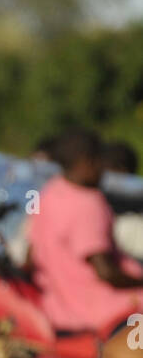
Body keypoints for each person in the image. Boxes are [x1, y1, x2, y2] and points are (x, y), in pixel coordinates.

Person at [27, 128, 143, 338]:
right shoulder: (88, 203)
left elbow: (31, 256)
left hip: (59, 312)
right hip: (106, 313)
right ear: (87, 162)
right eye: (100, 162)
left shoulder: (48, 193)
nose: (103, 171)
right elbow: (106, 272)